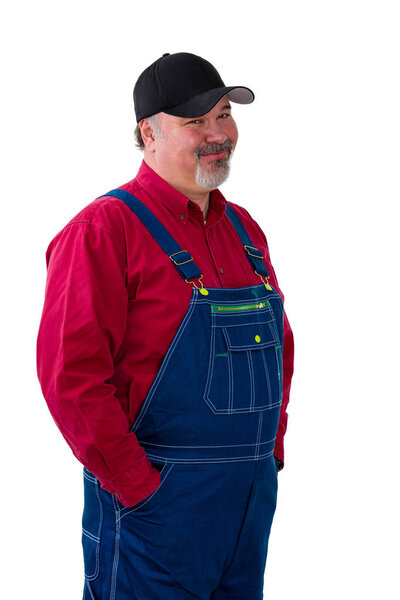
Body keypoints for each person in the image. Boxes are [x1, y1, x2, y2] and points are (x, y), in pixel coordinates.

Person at [37, 52, 294, 600]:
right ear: (148, 133)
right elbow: (73, 378)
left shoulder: (244, 230)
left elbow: (279, 347)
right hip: (156, 512)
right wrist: (138, 489)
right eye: (194, 121)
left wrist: (268, 453)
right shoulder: (103, 231)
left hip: (247, 508)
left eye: (223, 114)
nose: (216, 134)